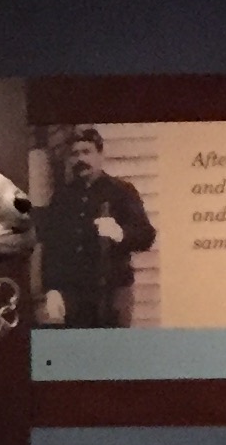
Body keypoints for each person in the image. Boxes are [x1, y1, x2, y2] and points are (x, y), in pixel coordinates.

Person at [34, 126, 157, 328]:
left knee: (113, 349)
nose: (81, 159)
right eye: (75, 154)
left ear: (100, 155)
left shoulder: (121, 191)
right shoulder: (63, 197)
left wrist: (120, 234)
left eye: (86, 152)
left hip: (113, 294)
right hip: (73, 296)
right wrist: (52, 290)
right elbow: (52, 247)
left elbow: (146, 236)